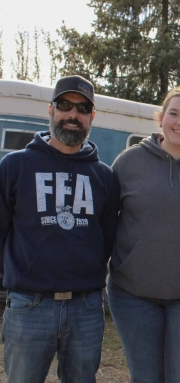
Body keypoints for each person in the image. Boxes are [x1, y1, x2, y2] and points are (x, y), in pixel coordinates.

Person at [0, 75, 120, 383]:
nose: (73, 115)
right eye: (65, 105)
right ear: (51, 110)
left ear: (92, 117)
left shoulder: (104, 176)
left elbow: (105, 240)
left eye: (82, 109)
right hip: (29, 306)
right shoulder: (15, 166)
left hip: (86, 307)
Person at [107, 86, 180, 383]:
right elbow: (106, 222)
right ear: (160, 118)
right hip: (132, 294)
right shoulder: (128, 163)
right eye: (173, 114)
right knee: (146, 377)